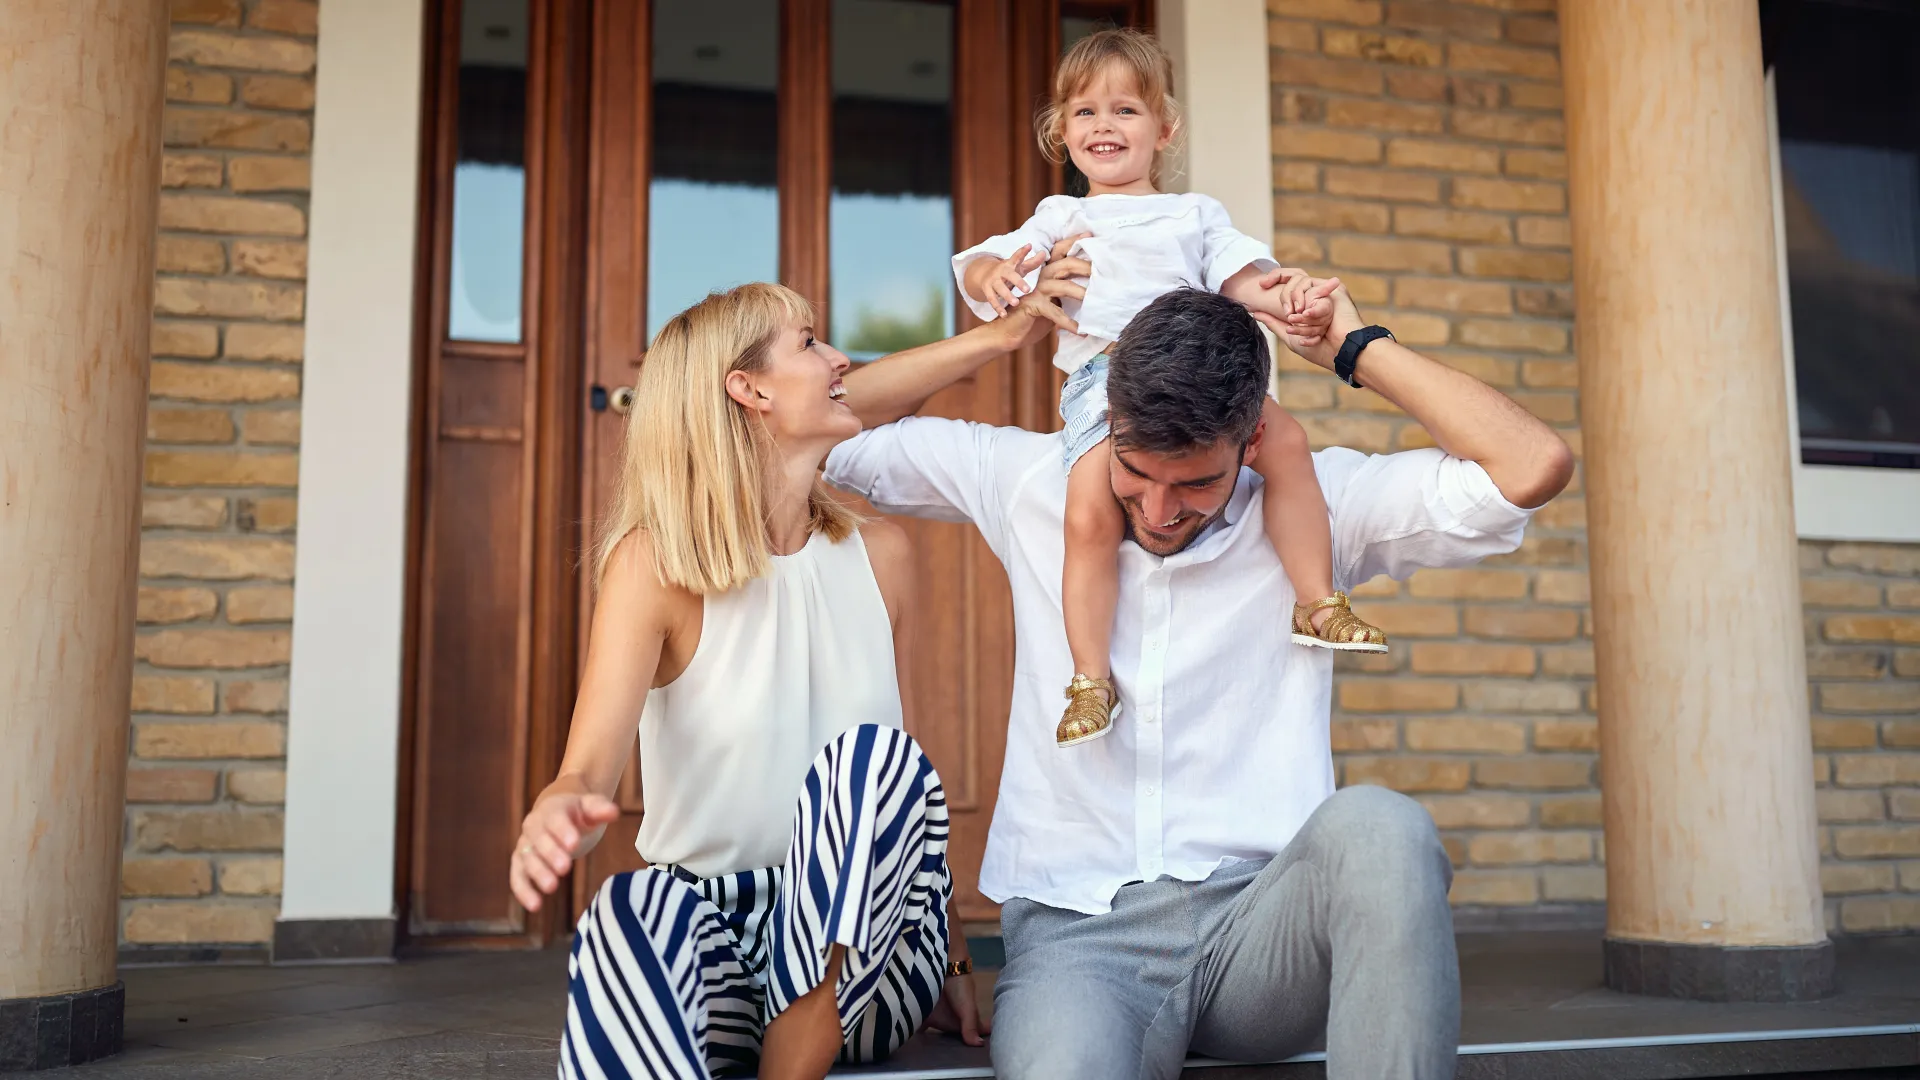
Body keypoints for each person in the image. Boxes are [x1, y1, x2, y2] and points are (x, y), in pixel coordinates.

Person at [831, 282, 1576, 1079]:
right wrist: (994, 341)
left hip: (1256, 933)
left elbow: (1531, 466)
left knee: (1384, 831)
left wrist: (1356, 350)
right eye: (1135, 473)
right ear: (1108, 424)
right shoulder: (1030, 483)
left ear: (1252, 439)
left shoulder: (1316, 509)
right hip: (1080, 942)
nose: (1157, 510)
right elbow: (816, 430)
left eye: (1193, 484)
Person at [506, 281, 1072, 1080]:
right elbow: (587, 773)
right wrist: (557, 811)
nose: (840, 358)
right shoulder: (655, 566)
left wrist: (946, 954)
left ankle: (793, 1060)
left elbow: (898, 782)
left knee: (869, 762)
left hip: (870, 958)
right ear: (749, 389)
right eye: (809, 342)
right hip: (721, 935)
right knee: (628, 911)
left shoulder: (880, 558)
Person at [954, 28, 1386, 750]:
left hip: (1200, 380)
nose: (1103, 126)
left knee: (1289, 443)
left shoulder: (1196, 216)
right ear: (1061, 131)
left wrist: (1291, 301)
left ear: (1165, 128)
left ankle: (1316, 601)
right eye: (1085, 112)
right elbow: (986, 262)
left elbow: (1245, 281)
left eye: (1125, 110)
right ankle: (1091, 677)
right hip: (1105, 384)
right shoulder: (1063, 217)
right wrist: (990, 277)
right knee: (1088, 512)